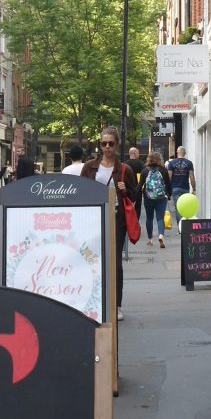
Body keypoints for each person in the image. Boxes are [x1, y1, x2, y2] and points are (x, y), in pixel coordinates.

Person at [80, 125, 136, 321]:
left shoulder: (124, 169)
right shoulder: (90, 167)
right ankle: (95, 302)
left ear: (117, 145)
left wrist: (125, 189)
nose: (107, 147)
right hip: (94, 220)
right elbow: (81, 192)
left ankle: (116, 305)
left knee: (115, 263)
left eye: (111, 144)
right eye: (103, 144)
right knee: (92, 262)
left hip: (116, 220)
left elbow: (135, 195)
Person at [138, 151, 170, 249]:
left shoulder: (145, 171)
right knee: (160, 218)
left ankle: (150, 239)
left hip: (148, 198)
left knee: (149, 218)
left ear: (149, 159)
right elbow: (168, 184)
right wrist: (169, 195)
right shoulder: (163, 170)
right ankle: (161, 235)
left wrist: (136, 195)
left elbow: (140, 185)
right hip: (161, 197)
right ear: (159, 159)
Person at [166, 145, 196, 224]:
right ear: (185, 153)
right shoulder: (189, 163)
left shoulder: (171, 163)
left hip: (175, 188)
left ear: (177, 153)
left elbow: (169, 177)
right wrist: (194, 189)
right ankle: (185, 225)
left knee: (178, 208)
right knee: (185, 207)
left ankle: (180, 226)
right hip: (185, 188)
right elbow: (192, 177)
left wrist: (168, 191)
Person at [127, 146, 144, 220]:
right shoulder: (141, 164)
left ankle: (129, 223)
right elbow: (143, 177)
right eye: (138, 153)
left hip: (127, 189)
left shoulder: (125, 164)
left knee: (127, 206)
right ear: (135, 153)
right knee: (137, 207)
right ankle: (136, 222)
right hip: (137, 189)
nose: (139, 154)